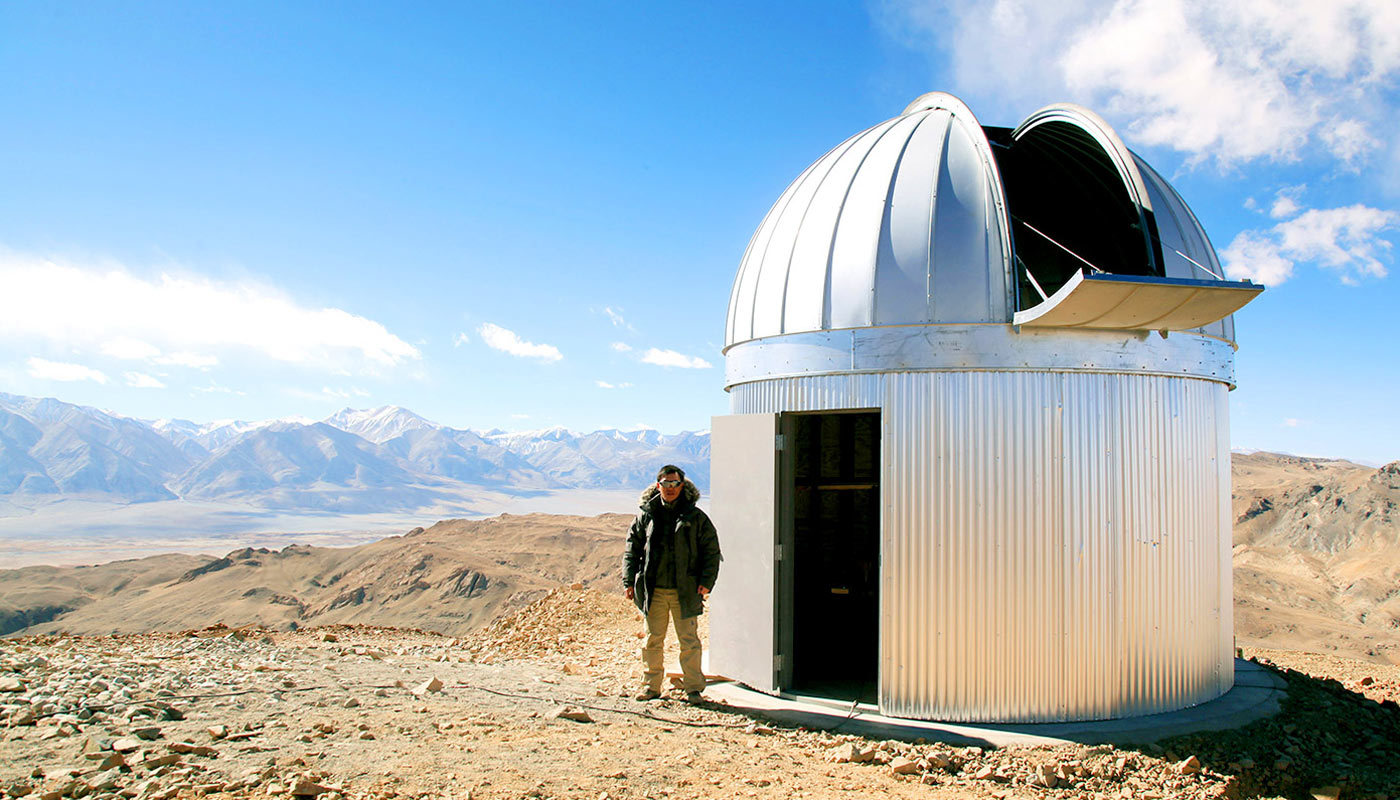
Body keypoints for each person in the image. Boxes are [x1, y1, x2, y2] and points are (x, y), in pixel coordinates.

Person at [623, 464, 721, 703]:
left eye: (674, 484)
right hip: (653, 589)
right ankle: (651, 687)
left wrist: (707, 581)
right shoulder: (646, 515)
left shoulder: (696, 517)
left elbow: (711, 550)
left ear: (682, 486)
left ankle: (694, 688)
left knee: (688, 641)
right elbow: (632, 549)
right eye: (665, 484)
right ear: (658, 486)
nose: (670, 488)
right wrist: (629, 580)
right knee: (652, 640)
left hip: (685, 590)